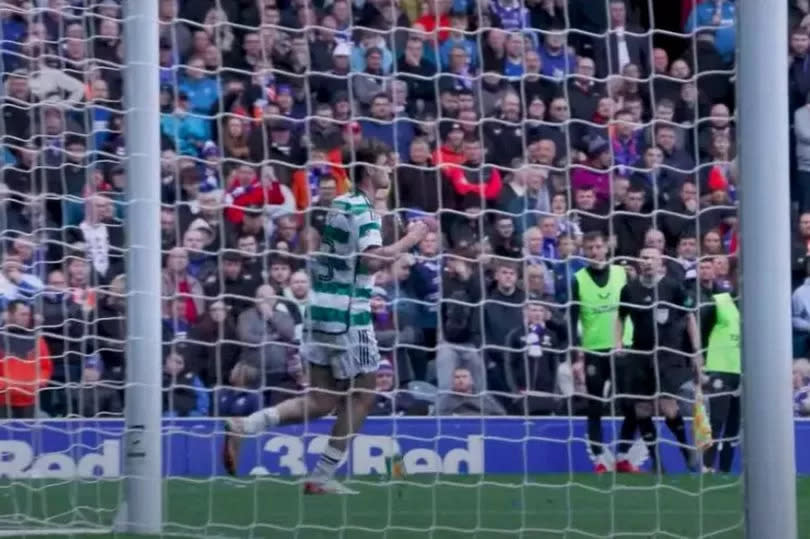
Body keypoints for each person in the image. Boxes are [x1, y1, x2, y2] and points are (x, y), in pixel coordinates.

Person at [223, 140, 428, 494]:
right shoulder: (364, 209)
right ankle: (320, 476)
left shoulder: (340, 203)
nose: (390, 170)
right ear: (368, 170)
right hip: (349, 315)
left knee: (321, 400)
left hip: (320, 310)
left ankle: (246, 425)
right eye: (384, 164)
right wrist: (413, 238)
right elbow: (372, 260)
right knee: (364, 396)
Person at [615, 247, 702, 473]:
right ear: (638, 261)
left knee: (668, 408)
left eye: (652, 258)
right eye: (643, 257)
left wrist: (696, 350)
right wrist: (618, 344)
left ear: (660, 261)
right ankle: (656, 461)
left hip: (666, 356)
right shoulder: (629, 289)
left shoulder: (672, 286)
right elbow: (620, 317)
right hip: (640, 355)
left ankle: (686, 449)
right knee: (642, 409)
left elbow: (689, 316)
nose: (647, 262)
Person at [570, 230, 634, 473]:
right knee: (595, 405)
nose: (595, 252)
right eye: (590, 248)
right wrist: (576, 356)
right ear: (584, 251)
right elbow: (572, 319)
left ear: (607, 248)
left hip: (622, 347)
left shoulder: (622, 274)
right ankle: (599, 460)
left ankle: (624, 455)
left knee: (630, 403)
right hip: (594, 349)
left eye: (598, 247)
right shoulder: (578, 279)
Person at [699, 283, 741, 473]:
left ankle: (724, 469)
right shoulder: (719, 302)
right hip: (719, 370)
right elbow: (701, 331)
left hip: (743, 373)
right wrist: (701, 361)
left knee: (735, 424)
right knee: (716, 421)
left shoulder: (757, 306)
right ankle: (707, 466)